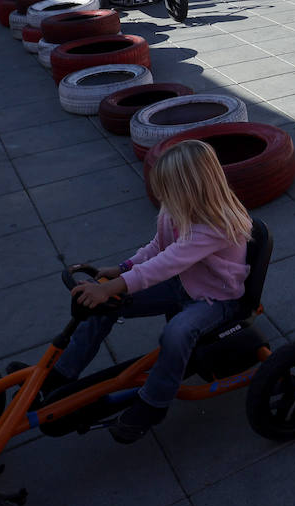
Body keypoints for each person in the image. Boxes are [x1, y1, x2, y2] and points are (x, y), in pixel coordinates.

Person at [47, 140, 251, 443]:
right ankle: (61, 375)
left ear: (190, 188)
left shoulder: (215, 226)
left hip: (215, 297)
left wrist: (115, 286)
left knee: (177, 334)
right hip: (183, 282)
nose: (159, 196)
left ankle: (154, 403)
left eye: (166, 189)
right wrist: (122, 268)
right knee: (106, 304)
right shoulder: (175, 209)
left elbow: (165, 264)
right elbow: (158, 247)